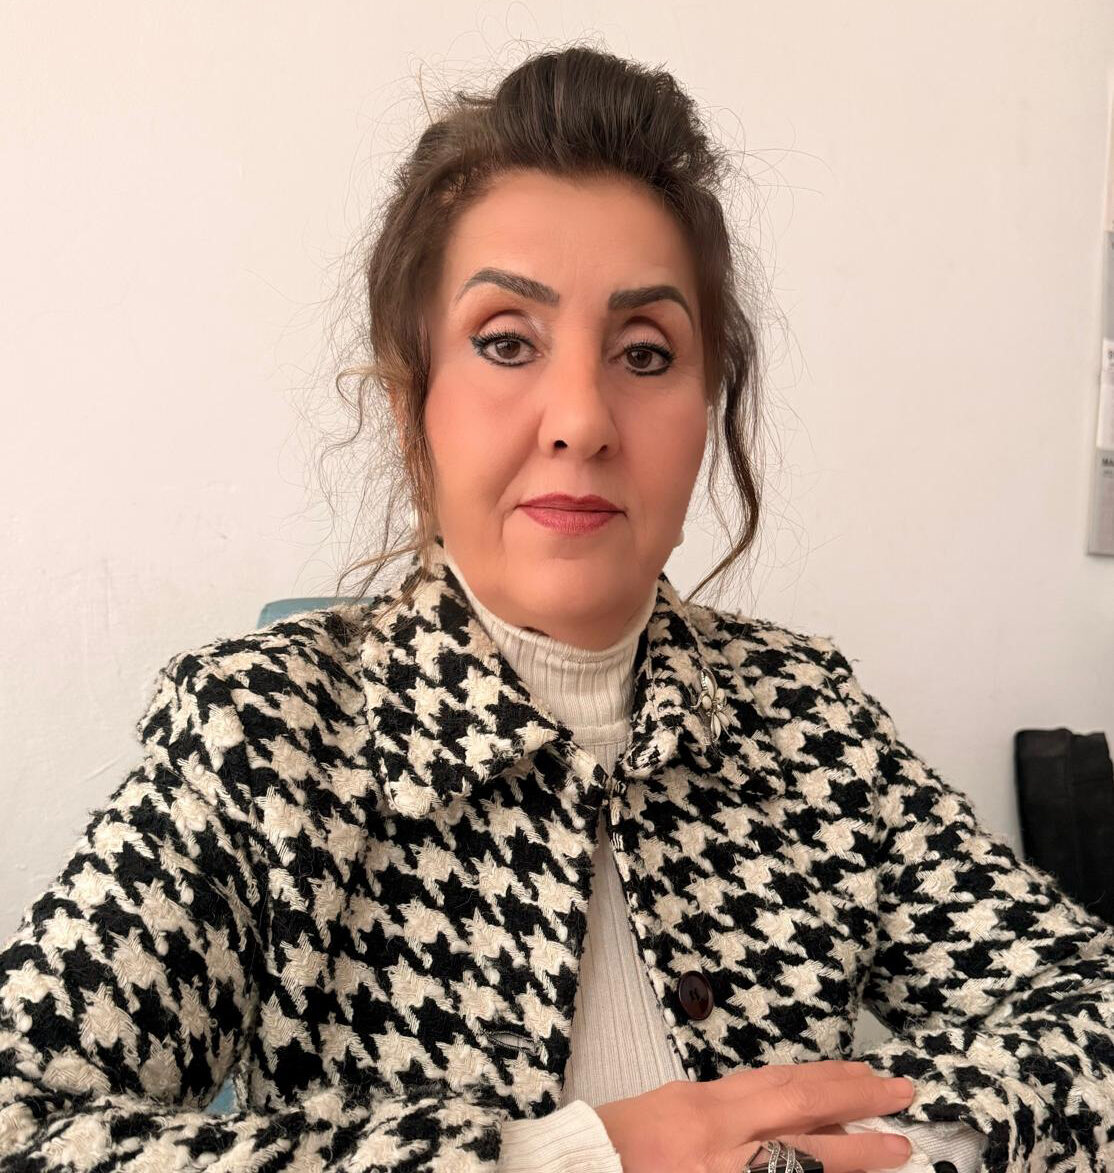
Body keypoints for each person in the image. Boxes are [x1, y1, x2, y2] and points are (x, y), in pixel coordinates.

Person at [1, 43, 1111, 1173]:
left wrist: (894, 1148)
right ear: (411, 402)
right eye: (506, 343)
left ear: (708, 407)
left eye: (645, 353)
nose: (580, 419)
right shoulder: (262, 732)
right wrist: (568, 1160)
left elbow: (1089, 1004)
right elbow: (18, 1120)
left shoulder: (807, 715)